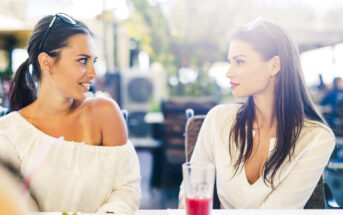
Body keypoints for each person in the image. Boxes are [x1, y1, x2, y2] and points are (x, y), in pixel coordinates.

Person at [179, 18, 335, 209]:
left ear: (274, 65)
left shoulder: (316, 139)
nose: (228, 72)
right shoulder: (218, 119)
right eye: (230, 62)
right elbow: (190, 193)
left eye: (239, 61)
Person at [0, 13, 140, 214]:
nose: (93, 73)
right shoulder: (9, 134)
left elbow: (127, 188)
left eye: (94, 60)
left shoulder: (105, 114)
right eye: (83, 60)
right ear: (46, 63)